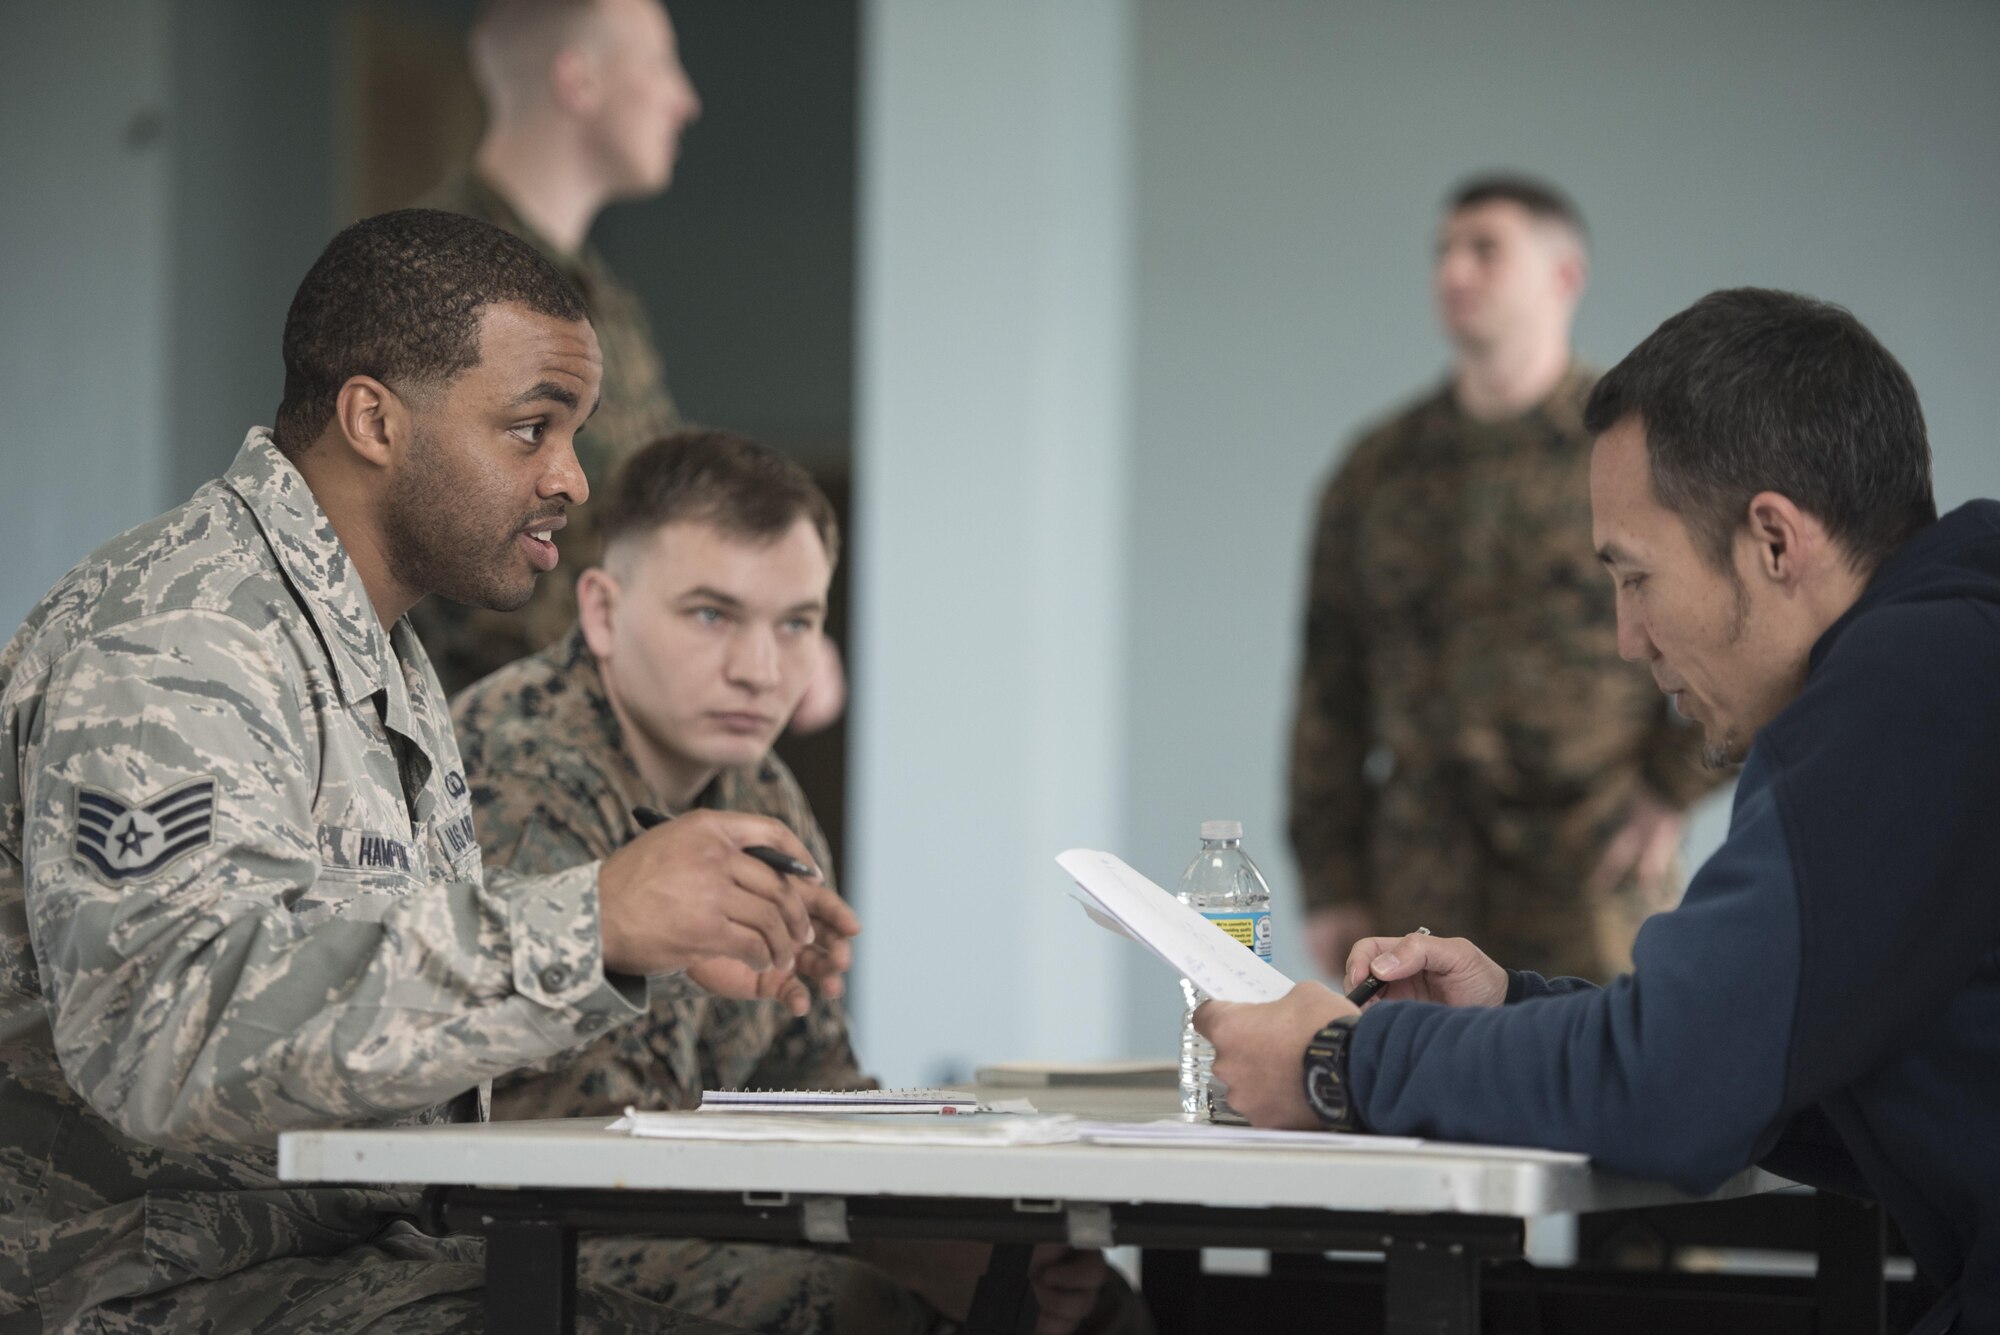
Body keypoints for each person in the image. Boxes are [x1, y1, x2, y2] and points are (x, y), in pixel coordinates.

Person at [0, 207, 860, 1333]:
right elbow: (162, 1035)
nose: (572, 480)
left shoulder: (376, 647)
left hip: (354, 1259)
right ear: (373, 419)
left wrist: (650, 945)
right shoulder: (181, 634)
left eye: (575, 434)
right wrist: (591, 922)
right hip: (150, 1287)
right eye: (530, 429)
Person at [1200, 288, 1998, 1333]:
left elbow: (1676, 1084)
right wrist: (1515, 1014)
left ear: (1771, 541)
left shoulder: (1909, 690)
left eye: (1634, 579)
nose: (1628, 639)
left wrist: (1335, 1066)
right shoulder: (1951, 660)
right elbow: (1780, 1082)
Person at [453, 430, 1135, 1335]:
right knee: (858, 1307)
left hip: (695, 1212)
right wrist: (914, 1253)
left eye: (797, 624)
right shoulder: (525, 772)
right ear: (604, 611)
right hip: (519, 1229)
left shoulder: (755, 785)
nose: (762, 669)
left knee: (1071, 1301)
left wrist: (970, 1235)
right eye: (711, 614)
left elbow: (811, 1079)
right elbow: (581, 1150)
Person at [1288, 176, 1724, 985]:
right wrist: (1331, 881)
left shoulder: (1637, 454)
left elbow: (1728, 627)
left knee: (1603, 1087)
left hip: (1590, 876)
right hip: (1418, 875)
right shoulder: (1378, 470)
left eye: (1485, 249)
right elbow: (1330, 687)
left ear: (1564, 277)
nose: (1454, 272)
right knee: (1401, 1095)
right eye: (1444, 251)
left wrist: (1674, 783)